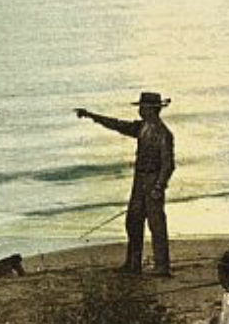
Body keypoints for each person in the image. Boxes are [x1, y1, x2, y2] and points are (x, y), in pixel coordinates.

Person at [75, 91, 176, 276]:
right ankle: (133, 264)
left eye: (142, 107)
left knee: (157, 225)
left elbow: (168, 164)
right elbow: (117, 124)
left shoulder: (164, 134)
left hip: (152, 181)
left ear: (151, 110)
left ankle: (162, 266)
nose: (139, 110)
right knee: (133, 222)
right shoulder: (142, 128)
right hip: (139, 181)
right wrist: (92, 116)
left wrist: (159, 187)